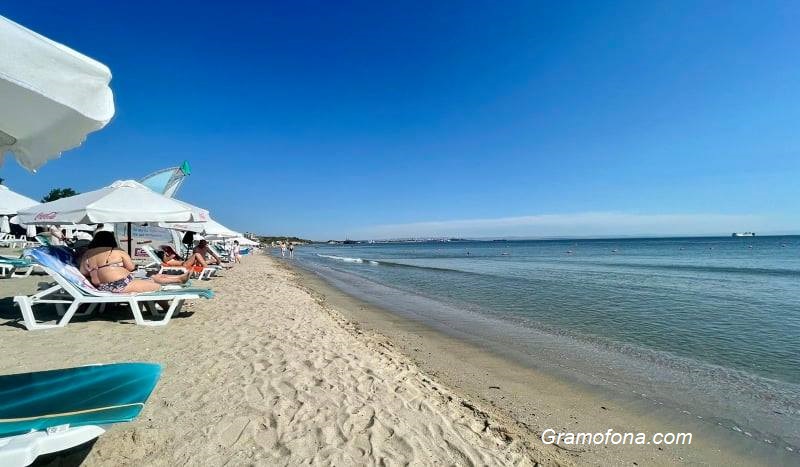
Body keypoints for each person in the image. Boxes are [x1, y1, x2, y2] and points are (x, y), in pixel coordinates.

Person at [79, 231, 189, 293]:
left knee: (151, 278)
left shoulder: (87, 254)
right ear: (111, 240)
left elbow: (83, 272)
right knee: (155, 286)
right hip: (121, 284)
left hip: (101, 286)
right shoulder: (116, 251)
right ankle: (166, 309)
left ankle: (178, 279)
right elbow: (131, 267)